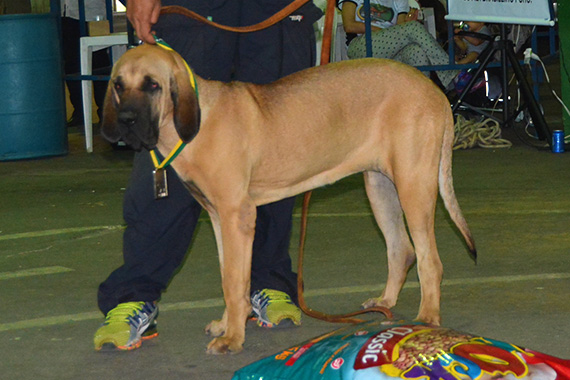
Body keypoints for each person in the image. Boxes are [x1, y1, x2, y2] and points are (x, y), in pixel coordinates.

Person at [94, 0, 323, 351]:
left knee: (279, 149)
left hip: (275, 9)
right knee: (165, 146)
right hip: (191, 8)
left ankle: (267, 283)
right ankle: (135, 294)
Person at [337, 0, 457, 89]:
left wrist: (405, 25)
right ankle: (454, 76)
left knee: (416, 51)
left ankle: (417, 102)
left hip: (389, 47)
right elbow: (349, 25)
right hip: (362, 45)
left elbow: (400, 28)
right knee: (413, 28)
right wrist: (390, 31)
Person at [61, 0, 111, 126]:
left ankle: (105, 112)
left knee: (99, 62)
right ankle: (79, 111)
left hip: (92, 14)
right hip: (65, 14)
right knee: (71, 65)